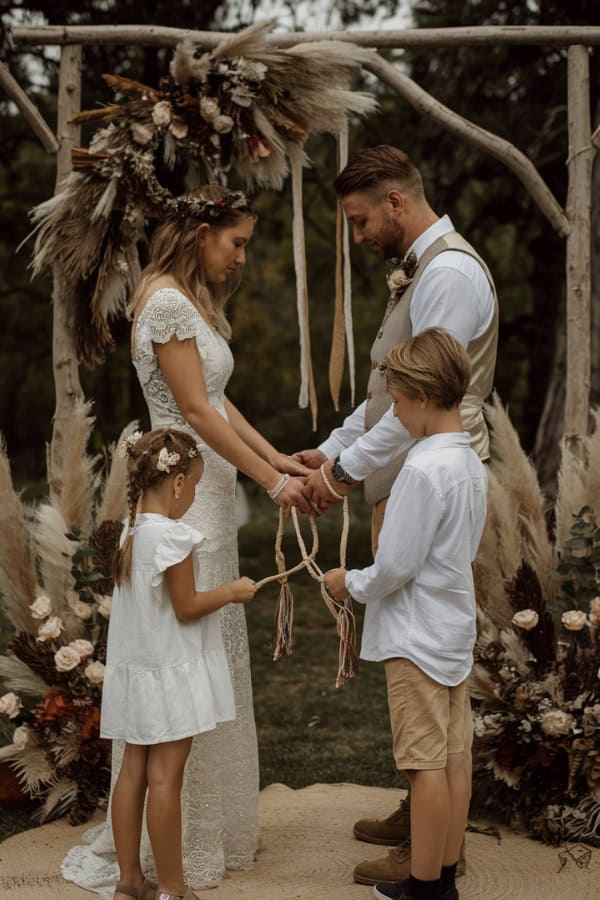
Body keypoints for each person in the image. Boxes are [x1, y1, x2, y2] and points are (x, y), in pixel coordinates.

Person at [62, 186, 310, 897]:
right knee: (184, 655)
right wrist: (270, 482)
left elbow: (221, 400)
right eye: (234, 242)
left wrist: (277, 458)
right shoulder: (166, 303)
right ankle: (175, 848)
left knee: (203, 658)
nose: (239, 257)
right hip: (184, 500)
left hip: (206, 488)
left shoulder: (187, 301)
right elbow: (195, 409)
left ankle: (206, 829)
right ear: (199, 233)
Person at [296, 146, 498, 886]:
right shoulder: (424, 270)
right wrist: (327, 451)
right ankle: (425, 824)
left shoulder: (446, 274)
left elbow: (418, 395)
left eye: (358, 222)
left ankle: (427, 855)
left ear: (394, 200)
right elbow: (390, 396)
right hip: (423, 473)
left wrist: (342, 476)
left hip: (422, 482)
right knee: (443, 733)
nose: (357, 238)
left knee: (428, 719)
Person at [325, 329, 488, 900]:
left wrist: (349, 583)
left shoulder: (421, 471)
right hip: (452, 631)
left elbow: (395, 566)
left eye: (395, 400)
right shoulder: (469, 463)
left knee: (423, 766)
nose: (394, 411)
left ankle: (426, 887)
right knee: (454, 760)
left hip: (415, 638)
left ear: (419, 395)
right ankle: (442, 875)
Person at [102, 428, 256, 900]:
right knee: (166, 779)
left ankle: (129, 881)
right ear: (177, 484)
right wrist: (232, 592)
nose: (191, 498)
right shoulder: (173, 537)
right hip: (169, 676)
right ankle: (172, 888)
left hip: (137, 674)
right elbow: (187, 606)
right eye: (194, 486)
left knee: (133, 773)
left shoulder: (132, 533)